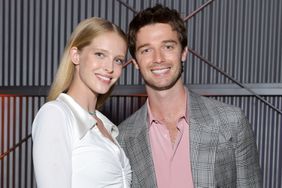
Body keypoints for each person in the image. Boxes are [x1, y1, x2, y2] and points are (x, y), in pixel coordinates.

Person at [117, 4, 262, 188]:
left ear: (184, 52)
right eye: (146, 50)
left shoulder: (231, 122)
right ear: (136, 62)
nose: (158, 58)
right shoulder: (123, 137)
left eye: (168, 46)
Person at [32, 17, 131, 188]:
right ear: (76, 56)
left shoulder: (106, 126)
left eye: (118, 60)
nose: (110, 68)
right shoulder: (56, 115)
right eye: (100, 54)